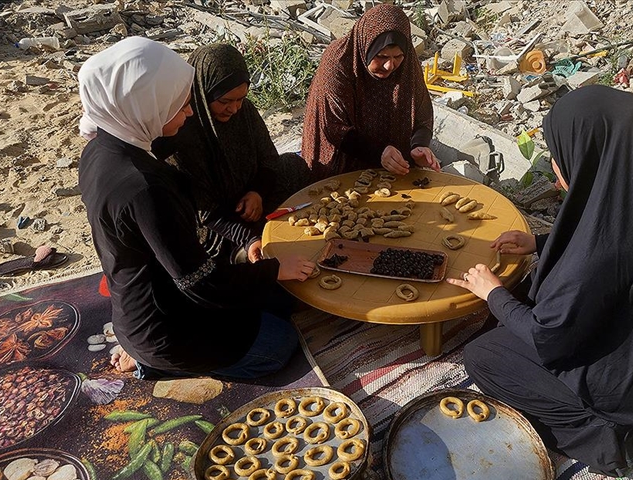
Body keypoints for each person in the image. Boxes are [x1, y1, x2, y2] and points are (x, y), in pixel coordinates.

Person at [447, 85, 633, 477]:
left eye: (559, 157)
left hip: (626, 385)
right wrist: (539, 242)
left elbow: (548, 336)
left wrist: (493, 293)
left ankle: (610, 435)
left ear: (588, 155)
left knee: (484, 356)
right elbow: (619, 257)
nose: (557, 172)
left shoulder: (607, 250)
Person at [77, 37, 315, 381]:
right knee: (279, 344)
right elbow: (200, 283)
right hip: (164, 326)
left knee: (281, 301)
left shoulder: (101, 149)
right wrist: (273, 269)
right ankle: (151, 363)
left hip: (151, 298)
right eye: (180, 105)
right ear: (147, 104)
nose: (190, 113)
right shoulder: (145, 187)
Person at [153, 44, 310, 263]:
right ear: (203, 93)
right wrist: (246, 237)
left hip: (250, 201)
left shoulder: (244, 111)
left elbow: (268, 158)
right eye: (225, 101)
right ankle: (245, 245)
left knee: (293, 166)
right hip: (217, 219)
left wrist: (257, 192)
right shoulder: (182, 131)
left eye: (241, 99)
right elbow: (203, 211)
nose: (234, 108)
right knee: (220, 248)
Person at [300, 4, 440, 180]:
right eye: (381, 57)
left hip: (394, 164)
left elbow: (422, 115)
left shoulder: (408, 64)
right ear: (366, 46)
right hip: (344, 159)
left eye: (397, 57)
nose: (390, 66)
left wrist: (418, 146)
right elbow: (333, 127)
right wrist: (378, 153)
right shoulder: (338, 61)